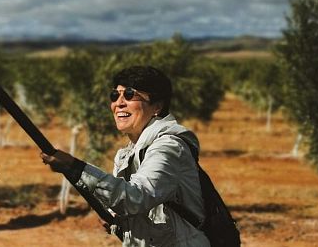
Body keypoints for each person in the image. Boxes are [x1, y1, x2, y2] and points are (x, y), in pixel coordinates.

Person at [42, 66, 209, 246]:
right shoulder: (127, 154)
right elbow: (139, 207)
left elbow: (134, 198)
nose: (119, 103)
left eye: (130, 95)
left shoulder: (169, 147)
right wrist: (118, 219)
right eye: (115, 95)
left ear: (157, 106)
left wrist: (76, 167)